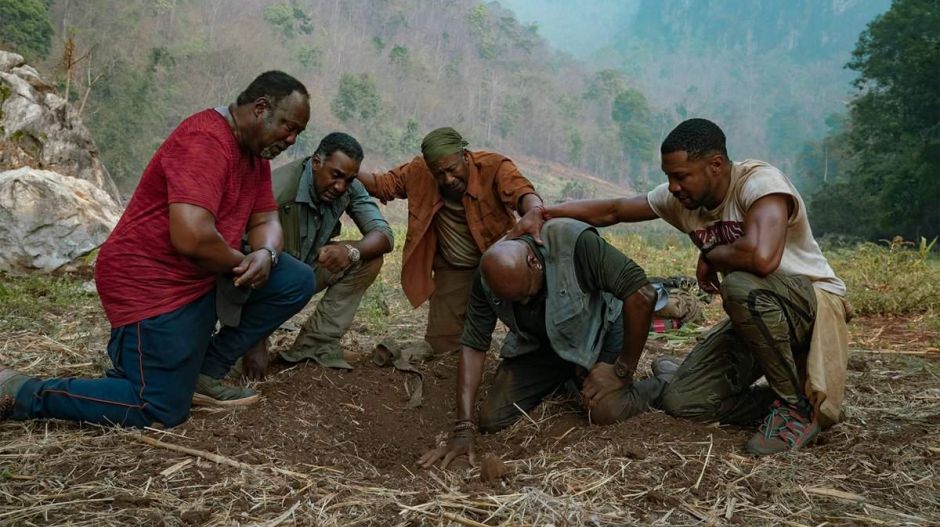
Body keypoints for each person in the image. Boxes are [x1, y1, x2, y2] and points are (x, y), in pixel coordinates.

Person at [513, 118, 851, 456]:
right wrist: (545, 213)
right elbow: (614, 211)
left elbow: (763, 259)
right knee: (683, 401)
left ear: (715, 165)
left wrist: (712, 254)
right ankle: (792, 400)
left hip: (812, 307)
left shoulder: (760, 184)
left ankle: (795, 409)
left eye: (681, 176)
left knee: (740, 287)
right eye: (668, 177)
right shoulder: (683, 201)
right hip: (759, 320)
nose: (673, 186)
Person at [0, 71, 315, 428]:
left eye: (297, 134)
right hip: (149, 281)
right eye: (289, 127)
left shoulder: (255, 157)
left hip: (201, 276)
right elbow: (192, 238)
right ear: (261, 108)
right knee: (159, 407)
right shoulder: (205, 140)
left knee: (294, 279)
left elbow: (266, 222)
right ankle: (21, 391)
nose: (291, 140)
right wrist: (244, 262)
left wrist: (266, 255)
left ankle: (204, 373)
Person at [418, 218, 679, 468]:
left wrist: (621, 369)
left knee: (604, 412)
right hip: (544, 345)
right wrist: (463, 427)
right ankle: (570, 376)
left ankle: (664, 382)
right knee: (492, 418)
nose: (523, 304)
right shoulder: (488, 276)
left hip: (601, 332)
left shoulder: (575, 243)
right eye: (514, 301)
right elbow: (474, 344)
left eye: (527, 295)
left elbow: (642, 294)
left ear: (534, 262)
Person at [357, 127, 545, 356]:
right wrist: (348, 168)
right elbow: (382, 185)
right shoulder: (419, 171)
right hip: (454, 268)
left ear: (465, 156)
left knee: (532, 332)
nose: (448, 179)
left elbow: (522, 192)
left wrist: (534, 211)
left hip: (500, 263)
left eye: (452, 170)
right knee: (441, 346)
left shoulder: (494, 166)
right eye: (439, 174)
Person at [240, 132, 393, 376]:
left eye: (349, 179)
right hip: (263, 284)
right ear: (316, 163)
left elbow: (383, 234)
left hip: (303, 274)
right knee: (240, 365)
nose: (341, 186)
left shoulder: (348, 188)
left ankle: (315, 345)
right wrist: (255, 338)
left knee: (368, 257)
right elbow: (241, 264)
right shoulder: (277, 191)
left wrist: (350, 251)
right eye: (335, 176)